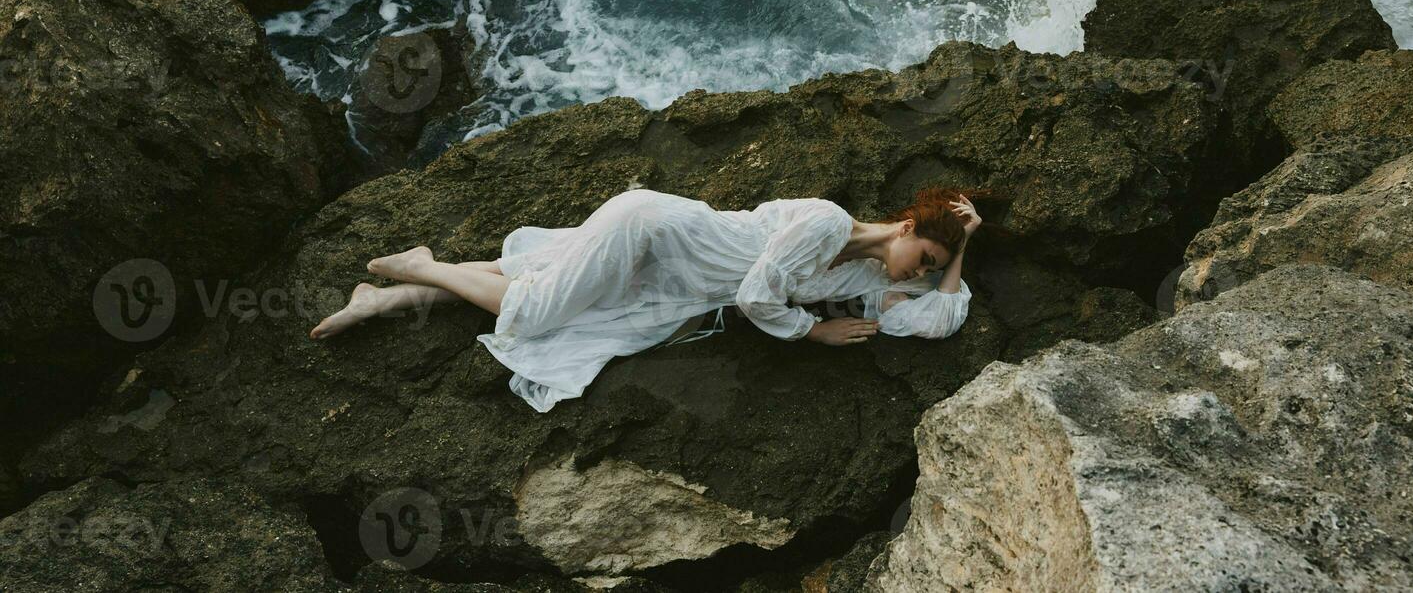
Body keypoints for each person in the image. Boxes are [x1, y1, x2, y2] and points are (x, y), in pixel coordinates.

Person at [310, 186, 984, 411]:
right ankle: (422, 266)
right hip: (653, 228)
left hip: (670, 278)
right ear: (905, 227)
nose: (914, 275)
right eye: (922, 258)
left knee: (538, 281)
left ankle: (382, 300)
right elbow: (755, 296)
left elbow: (938, 320)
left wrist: (962, 253)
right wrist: (812, 333)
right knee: (540, 310)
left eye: (928, 269)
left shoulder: (863, 280)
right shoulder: (827, 223)